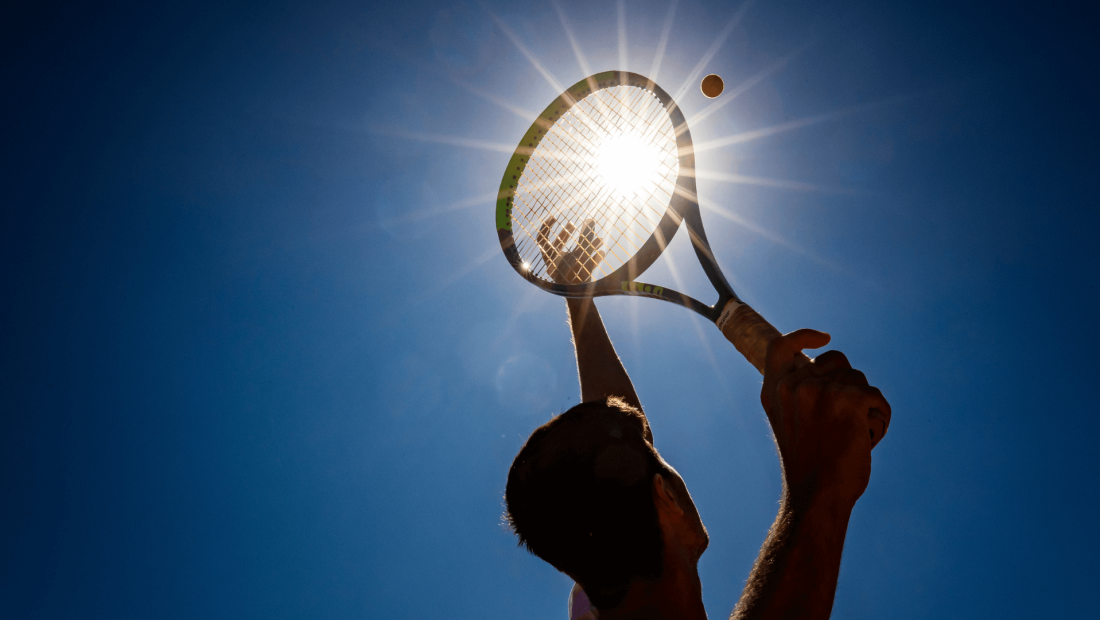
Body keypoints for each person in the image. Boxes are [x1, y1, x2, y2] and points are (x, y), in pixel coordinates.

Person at [504, 219, 892, 620]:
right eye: (652, 453)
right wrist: (821, 485)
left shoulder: (597, 592)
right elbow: (618, 442)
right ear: (667, 496)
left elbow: (615, 435)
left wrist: (579, 297)